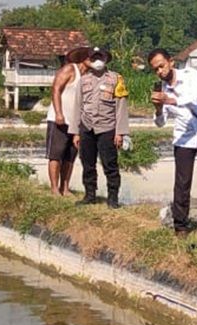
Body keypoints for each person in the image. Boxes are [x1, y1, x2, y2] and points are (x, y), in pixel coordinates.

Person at [148, 48, 197, 237]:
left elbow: (195, 98)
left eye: (161, 66)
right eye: (155, 69)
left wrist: (170, 100)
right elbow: (160, 123)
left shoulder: (190, 75)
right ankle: (181, 226)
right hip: (183, 138)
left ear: (170, 62)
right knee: (182, 183)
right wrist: (158, 108)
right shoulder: (162, 90)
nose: (159, 71)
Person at [68, 47, 129, 209]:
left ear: (106, 59)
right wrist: (75, 132)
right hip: (87, 127)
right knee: (87, 163)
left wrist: (120, 132)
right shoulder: (84, 80)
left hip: (107, 128)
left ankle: (113, 198)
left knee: (110, 165)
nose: (97, 61)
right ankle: (90, 195)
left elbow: (121, 106)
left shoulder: (116, 79)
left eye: (100, 57)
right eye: (94, 58)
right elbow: (77, 106)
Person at [46, 46, 90, 196]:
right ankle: (54, 188)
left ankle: (65, 187)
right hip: (59, 119)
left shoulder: (89, 76)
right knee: (56, 154)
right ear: (84, 58)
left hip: (76, 122)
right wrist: (59, 113)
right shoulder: (70, 70)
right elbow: (56, 89)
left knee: (70, 156)